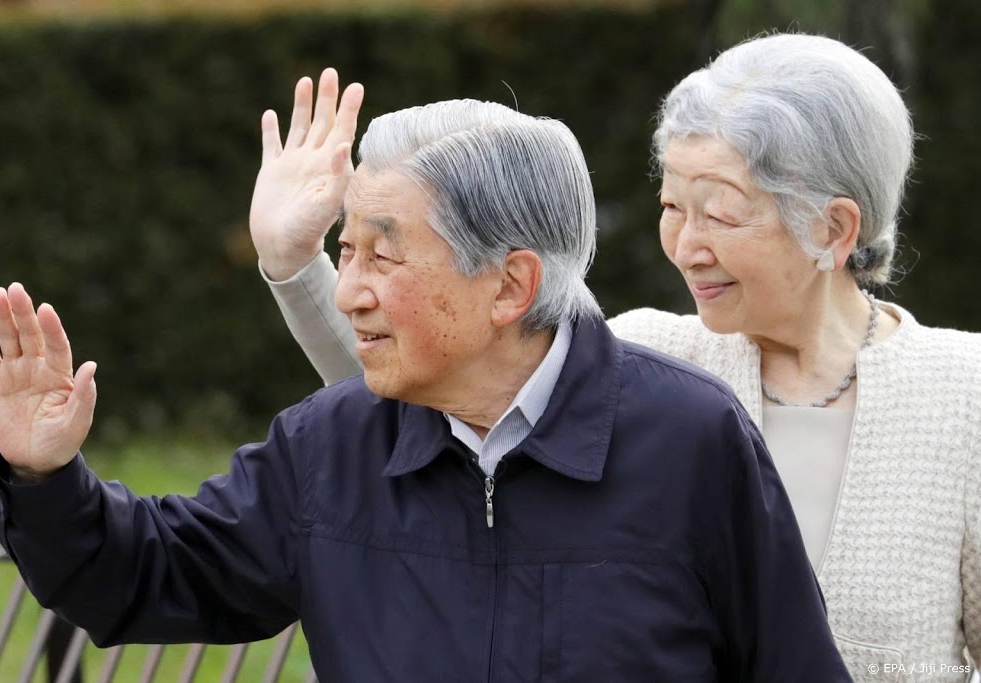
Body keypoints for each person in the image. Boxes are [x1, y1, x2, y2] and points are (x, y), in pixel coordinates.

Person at [0, 71, 852, 681]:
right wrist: (44, 476)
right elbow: (143, 576)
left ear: (509, 285)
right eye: (345, 249)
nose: (346, 291)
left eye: (382, 256)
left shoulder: (691, 439)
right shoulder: (331, 443)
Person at [258, 36, 981, 681]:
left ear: (834, 227)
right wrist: (295, 268)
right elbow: (431, 391)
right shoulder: (642, 361)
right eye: (672, 208)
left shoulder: (962, 395)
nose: (686, 246)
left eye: (719, 214)